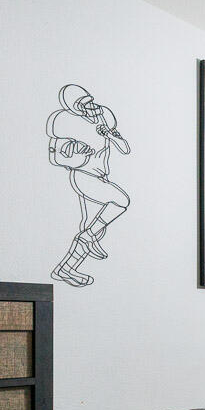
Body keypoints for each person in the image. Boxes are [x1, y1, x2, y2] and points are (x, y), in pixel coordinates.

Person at [48, 83, 131, 287]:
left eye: (89, 101)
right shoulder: (66, 123)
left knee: (92, 224)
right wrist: (72, 147)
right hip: (84, 176)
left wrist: (110, 135)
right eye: (82, 104)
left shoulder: (103, 119)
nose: (90, 107)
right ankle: (87, 239)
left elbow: (125, 148)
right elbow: (56, 153)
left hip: (100, 176)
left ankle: (66, 268)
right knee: (120, 201)